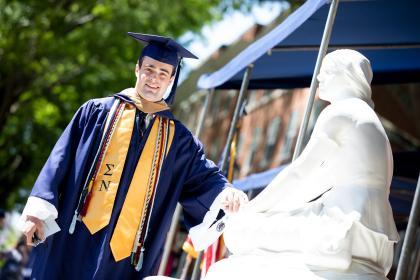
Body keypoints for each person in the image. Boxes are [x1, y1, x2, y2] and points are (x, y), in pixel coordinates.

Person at [18, 32, 248, 280]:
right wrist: (37, 214)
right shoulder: (96, 113)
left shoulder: (179, 140)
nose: (154, 79)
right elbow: (59, 160)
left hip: (129, 254)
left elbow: (203, 176)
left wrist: (225, 193)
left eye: (163, 73)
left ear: (171, 80)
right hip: (74, 238)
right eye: (149, 69)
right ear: (137, 69)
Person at [203, 49, 399, 280]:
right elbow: (315, 184)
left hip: (341, 229)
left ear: (346, 76)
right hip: (374, 237)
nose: (319, 78)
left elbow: (300, 174)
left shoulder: (340, 112)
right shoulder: (369, 120)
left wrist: (252, 209)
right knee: (256, 223)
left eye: (326, 72)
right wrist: (271, 210)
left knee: (239, 230)